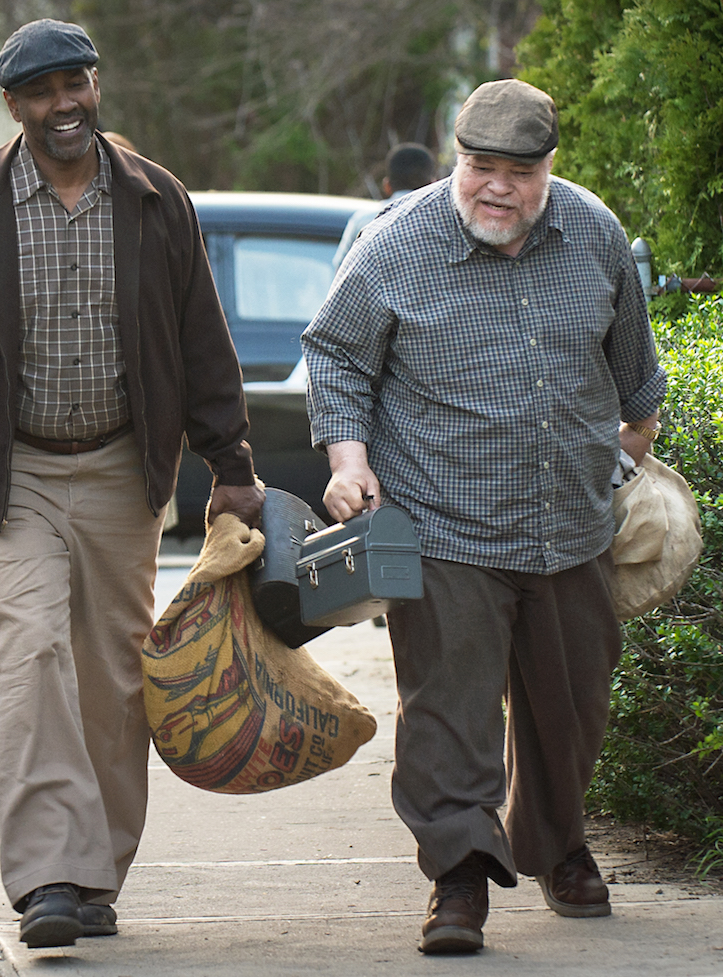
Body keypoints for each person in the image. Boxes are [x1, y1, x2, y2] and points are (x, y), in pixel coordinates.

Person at [0, 17, 264, 951]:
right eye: (41, 92)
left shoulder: (157, 201)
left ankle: (99, 871)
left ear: (95, 86)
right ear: (14, 107)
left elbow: (203, 340)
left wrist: (230, 466)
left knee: (114, 673)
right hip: (10, 473)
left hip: (124, 467)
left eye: (75, 83)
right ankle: (46, 877)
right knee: (30, 645)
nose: (62, 104)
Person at [301, 78, 666, 955]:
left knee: (571, 706)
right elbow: (335, 356)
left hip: (570, 524)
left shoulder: (595, 234)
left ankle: (556, 845)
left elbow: (637, 375)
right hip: (444, 524)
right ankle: (459, 874)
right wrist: (348, 460)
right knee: (449, 710)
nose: (494, 187)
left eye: (517, 171)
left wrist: (623, 457)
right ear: (456, 158)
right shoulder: (399, 243)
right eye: (477, 166)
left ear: (549, 169)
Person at [332, 142, 436, 268]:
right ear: (432, 184)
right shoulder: (440, 221)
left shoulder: (363, 220)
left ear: (387, 186)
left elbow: (340, 267)